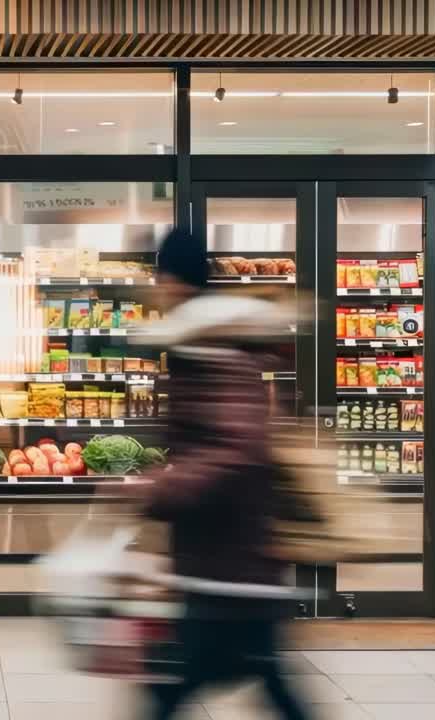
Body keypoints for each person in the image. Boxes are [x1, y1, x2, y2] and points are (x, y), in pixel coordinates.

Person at [139, 228, 311, 720]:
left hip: (230, 566)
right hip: (232, 560)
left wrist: (160, 487)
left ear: (173, 280)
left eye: (161, 278)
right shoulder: (210, 346)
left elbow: (234, 450)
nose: (157, 289)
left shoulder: (207, 350)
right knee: (261, 681)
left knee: (175, 686)